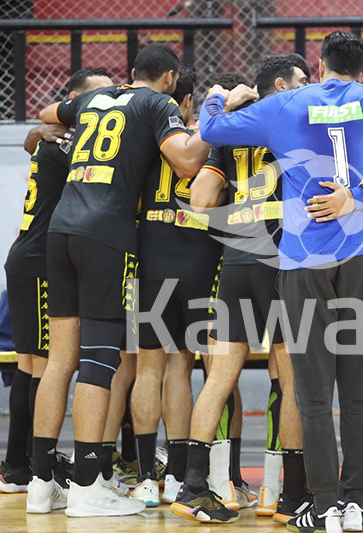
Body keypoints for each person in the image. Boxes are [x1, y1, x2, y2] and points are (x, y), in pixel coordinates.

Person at [191, 30, 363, 532]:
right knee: (359, 383)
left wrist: (222, 96)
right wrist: (362, 193)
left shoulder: (286, 103)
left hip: (302, 260)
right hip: (362, 255)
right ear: (361, 71)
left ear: (318, 65)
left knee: (312, 388)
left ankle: (325, 502)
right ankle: (357, 499)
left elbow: (212, 128)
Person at [29, 43, 213, 517]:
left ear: (131, 72)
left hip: (61, 232)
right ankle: (89, 485)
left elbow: (48, 112)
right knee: (99, 361)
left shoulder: (95, 97)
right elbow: (188, 162)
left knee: (58, 362)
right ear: (171, 80)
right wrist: (216, 112)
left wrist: (49, 129)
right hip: (106, 237)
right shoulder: (157, 104)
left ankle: (40, 484)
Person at [172, 53, 311, 525]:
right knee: (288, 379)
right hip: (282, 260)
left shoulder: (227, 134)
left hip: (235, 261)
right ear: (279, 84)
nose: (306, 87)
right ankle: (283, 494)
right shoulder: (291, 118)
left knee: (217, 379)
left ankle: (196, 487)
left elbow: (201, 199)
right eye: (300, 80)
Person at [0, 69, 110, 495]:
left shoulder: (53, 140)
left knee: (29, 365)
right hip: (41, 261)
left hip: (27, 258)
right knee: (42, 367)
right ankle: (32, 467)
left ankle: (18, 466)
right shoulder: (69, 145)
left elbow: (34, 137)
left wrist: (36, 132)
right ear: (73, 100)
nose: (105, 104)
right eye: (96, 96)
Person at [128, 65, 223, 507]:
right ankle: (189, 474)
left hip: (150, 257)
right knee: (193, 368)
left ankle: (148, 476)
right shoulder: (214, 137)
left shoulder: (149, 137)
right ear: (188, 102)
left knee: (150, 367)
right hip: (199, 258)